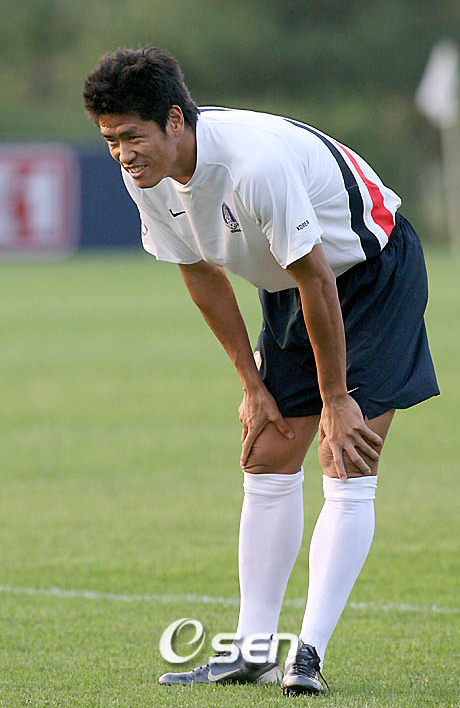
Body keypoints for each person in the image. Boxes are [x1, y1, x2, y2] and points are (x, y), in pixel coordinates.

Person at [83, 46, 439, 696]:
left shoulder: (254, 165)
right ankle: (252, 651)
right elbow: (200, 272)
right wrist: (251, 385)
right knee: (267, 451)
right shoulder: (146, 177)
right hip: (292, 284)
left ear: (175, 120)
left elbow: (319, 278)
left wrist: (336, 398)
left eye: (132, 136)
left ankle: (308, 654)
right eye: (109, 140)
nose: (123, 154)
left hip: (370, 274)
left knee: (346, 455)